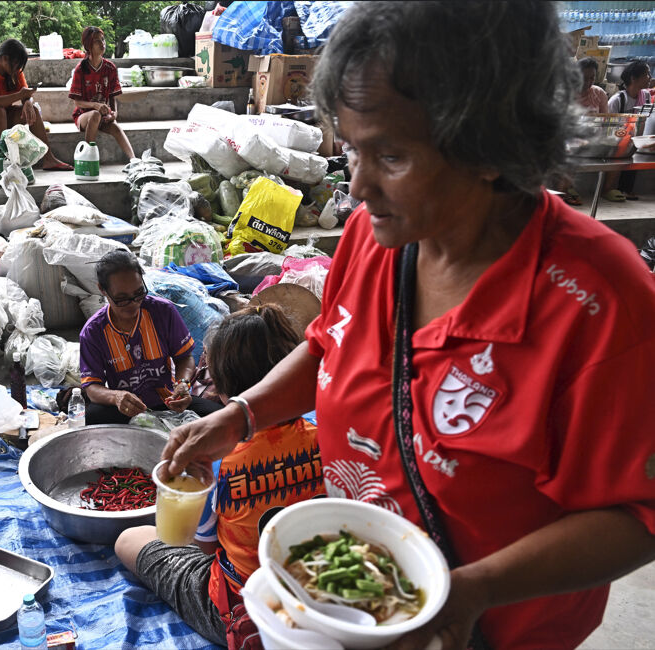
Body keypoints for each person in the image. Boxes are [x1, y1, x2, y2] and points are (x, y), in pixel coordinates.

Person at [160, 3, 655, 649]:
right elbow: (329, 346)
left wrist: (473, 590)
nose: (356, 185)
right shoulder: (376, 238)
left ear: (489, 145)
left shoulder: (600, 302)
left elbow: (633, 516)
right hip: (359, 605)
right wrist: (244, 414)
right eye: (353, 148)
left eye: (390, 155)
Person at [115, 305, 323, 645]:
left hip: (246, 608)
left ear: (222, 389)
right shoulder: (325, 430)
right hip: (319, 591)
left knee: (128, 540)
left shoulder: (214, 463)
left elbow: (205, 549)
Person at [79, 250, 223, 425]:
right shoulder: (93, 331)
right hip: (127, 409)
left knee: (221, 417)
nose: (134, 304)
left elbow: (184, 357)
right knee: (90, 416)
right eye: (122, 299)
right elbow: (92, 387)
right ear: (102, 290)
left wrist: (183, 384)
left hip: (168, 401)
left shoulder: (163, 311)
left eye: (139, 293)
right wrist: (116, 397)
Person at [0, 39, 73, 171]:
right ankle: (2, 162)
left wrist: (27, 103)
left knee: (34, 112)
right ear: (4, 59)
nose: (18, 69)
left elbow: (25, 94)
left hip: (2, 115)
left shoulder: (14, 71)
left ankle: (49, 159)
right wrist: (20, 96)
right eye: (16, 64)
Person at [69, 27, 135, 160]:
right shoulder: (81, 69)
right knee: (94, 114)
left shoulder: (110, 68)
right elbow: (77, 102)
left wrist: (114, 113)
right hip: (84, 116)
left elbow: (112, 96)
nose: (102, 44)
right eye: (97, 41)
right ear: (88, 45)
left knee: (116, 128)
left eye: (103, 40)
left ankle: (134, 160)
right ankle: (87, 158)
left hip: (103, 115)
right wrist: (95, 106)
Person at [557, 57, 609, 206]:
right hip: (569, 138)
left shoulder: (599, 94)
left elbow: (606, 120)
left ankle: (609, 188)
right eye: (583, 78)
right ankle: (563, 191)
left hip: (594, 139)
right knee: (572, 148)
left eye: (592, 78)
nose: (588, 82)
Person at [603, 60, 652, 201]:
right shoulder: (618, 99)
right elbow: (609, 125)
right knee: (622, 150)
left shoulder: (646, 97)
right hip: (616, 140)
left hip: (634, 139)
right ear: (633, 78)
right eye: (646, 74)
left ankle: (625, 189)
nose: (649, 77)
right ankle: (608, 189)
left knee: (633, 151)